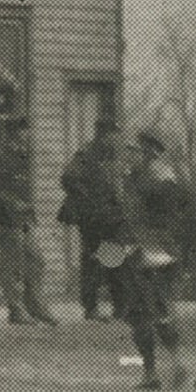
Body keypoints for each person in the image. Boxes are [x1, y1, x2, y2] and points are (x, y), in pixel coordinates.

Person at [116, 130, 192, 389]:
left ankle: (176, 362)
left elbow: (176, 207)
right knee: (137, 314)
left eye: (135, 151)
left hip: (158, 250)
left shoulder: (161, 179)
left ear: (149, 154)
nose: (129, 156)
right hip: (134, 250)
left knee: (158, 308)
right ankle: (150, 372)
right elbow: (124, 219)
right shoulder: (131, 179)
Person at [0, 117, 58, 326]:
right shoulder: (2, 158)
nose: (29, 134)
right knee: (12, 265)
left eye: (28, 130)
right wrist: (12, 203)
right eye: (24, 131)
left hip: (23, 219)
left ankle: (35, 304)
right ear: (14, 133)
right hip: (7, 219)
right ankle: (15, 309)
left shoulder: (25, 157)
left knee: (36, 261)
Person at [59, 117, 125, 319]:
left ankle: (119, 307)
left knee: (114, 259)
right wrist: (88, 199)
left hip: (111, 216)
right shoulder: (87, 153)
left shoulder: (114, 155)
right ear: (103, 134)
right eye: (112, 134)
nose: (116, 138)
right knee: (92, 261)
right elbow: (68, 177)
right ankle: (91, 307)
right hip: (93, 218)